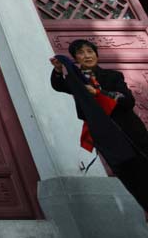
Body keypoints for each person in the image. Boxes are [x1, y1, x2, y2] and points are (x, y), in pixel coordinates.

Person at [50, 38, 148, 210]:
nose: (86, 56)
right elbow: (59, 85)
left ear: (96, 54)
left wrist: (98, 92)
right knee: (130, 176)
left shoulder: (113, 76)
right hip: (107, 138)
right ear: (76, 59)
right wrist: (58, 70)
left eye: (90, 51)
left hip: (130, 131)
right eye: (81, 53)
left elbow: (128, 101)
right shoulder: (77, 81)